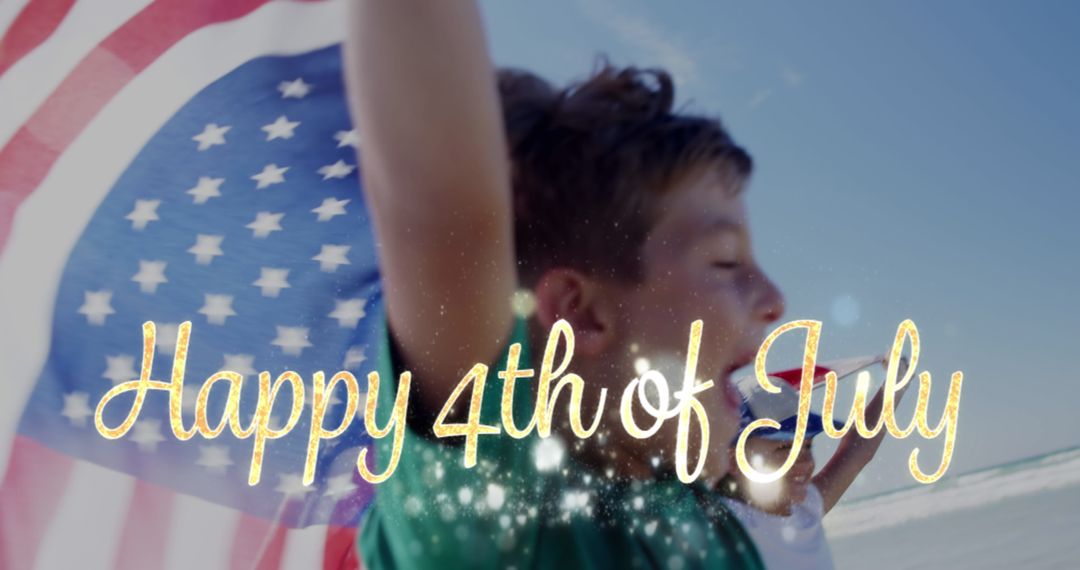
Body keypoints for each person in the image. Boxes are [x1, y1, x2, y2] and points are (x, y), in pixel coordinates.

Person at [343, 2, 785, 568]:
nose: (775, 300)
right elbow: (444, 218)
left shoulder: (703, 521)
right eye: (725, 262)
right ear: (580, 312)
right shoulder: (504, 518)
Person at [719, 359, 910, 569]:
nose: (804, 461)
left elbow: (858, 451)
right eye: (783, 448)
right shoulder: (728, 525)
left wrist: (895, 384)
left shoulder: (805, 510)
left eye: (807, 445)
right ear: (734, 461)